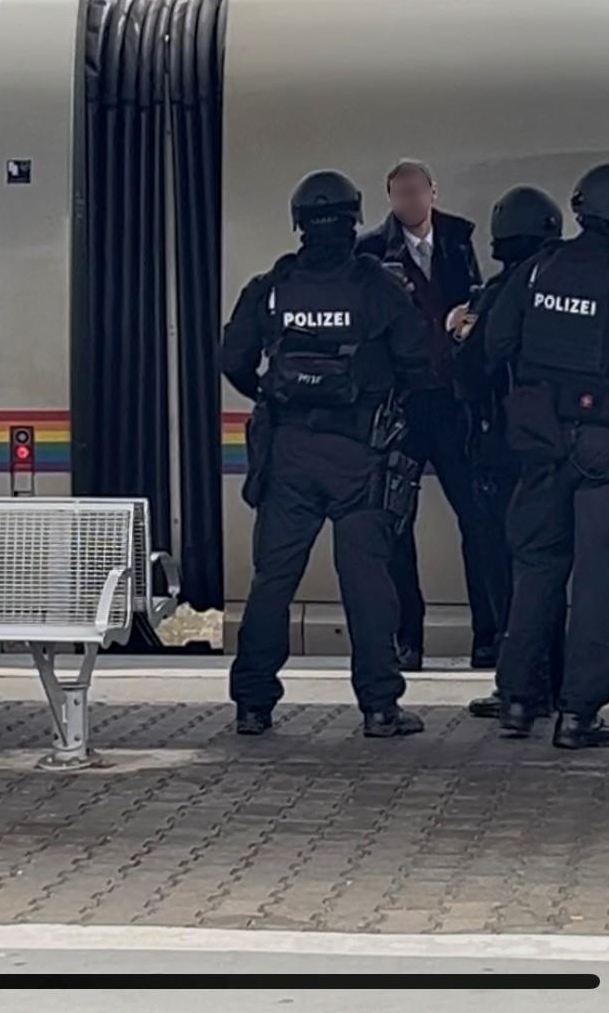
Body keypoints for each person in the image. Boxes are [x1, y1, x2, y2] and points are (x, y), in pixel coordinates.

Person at [222, 169, 432, 739]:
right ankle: (380, 707)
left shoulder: (272, 287)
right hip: (360, 454)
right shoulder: (377, 287)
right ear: (353, 220)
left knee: (273, 580)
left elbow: (232, 358)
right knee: (367, 582)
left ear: (300, 224)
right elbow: (420, 361)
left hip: (288, 454)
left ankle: (252, 704)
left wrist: (268, 394)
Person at [485, 166, 609, 748]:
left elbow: (496, 344)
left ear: (580, 208)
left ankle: (518, 702)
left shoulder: (536, 271)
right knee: (595, 581)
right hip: (606, 448)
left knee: (535, 572)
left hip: (540, 445)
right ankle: (579, 715)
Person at [357, 159, 503, 671]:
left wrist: (467, 325)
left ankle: (489, 636)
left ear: (433, 192)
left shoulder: (460, 240)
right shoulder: (370, 252)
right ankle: (407, 638)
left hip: (454, 403)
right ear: (390, 197)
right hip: (402, 406)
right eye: (401, 194)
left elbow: (479, 304)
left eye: (417, 192)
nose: (410, 201)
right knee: (396, 525)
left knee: (479, 519)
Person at [453, 186, 566, 720]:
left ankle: (521, 684)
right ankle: (560, 680)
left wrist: (459, 333)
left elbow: (471, 375)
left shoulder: (498, 295)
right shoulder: (568, 287)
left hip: (503, 451)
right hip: (560, 450)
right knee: (553, 569)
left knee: (509, 570)